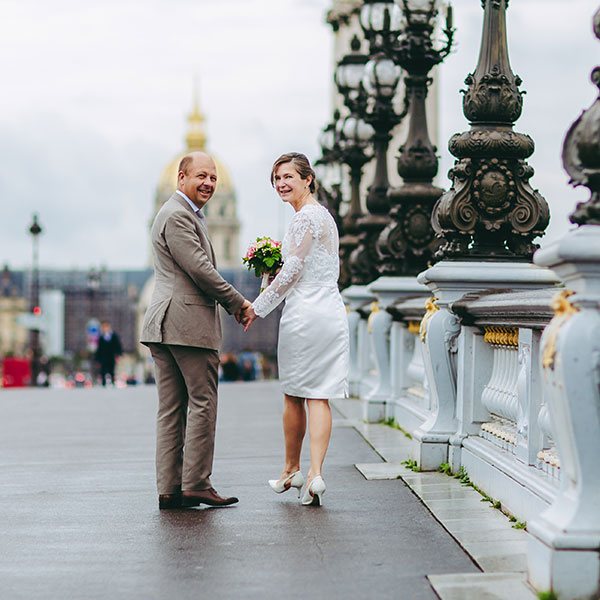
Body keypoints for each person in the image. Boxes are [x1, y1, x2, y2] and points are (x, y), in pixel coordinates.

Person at [140, 151, 251, 510]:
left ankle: (171, 488)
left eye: (214, 178)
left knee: (171, 409)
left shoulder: (176, 213)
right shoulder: (178, 215)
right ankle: (197, 484)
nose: (208, 183)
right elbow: (201, 270)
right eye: (201, 176)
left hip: (166, 323)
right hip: (187, 324)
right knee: (203, 403)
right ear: (181, 178)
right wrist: (238, 302)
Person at [242, 152, 349, 507]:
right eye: (276, 179)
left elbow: (293, 272)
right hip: (331, 309)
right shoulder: (326, 219)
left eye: (288, 177)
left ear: (308, 179)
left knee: (293, 392)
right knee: (320, 394)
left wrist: (257, 308)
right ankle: (315, 474)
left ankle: (292, 468)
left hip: (305, 312)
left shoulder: (303, 219)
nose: (281, 184)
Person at [94, 321, 122, 386]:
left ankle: (112, 382)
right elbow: (99, 349)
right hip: (103, 357)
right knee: (103, 370)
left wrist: (119, 353)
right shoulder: (101, 337)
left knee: (111, 369)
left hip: (111, 356)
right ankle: (103, 383)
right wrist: (97, 358)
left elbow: (117, 345)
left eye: (106, 327)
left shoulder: (113, 336)